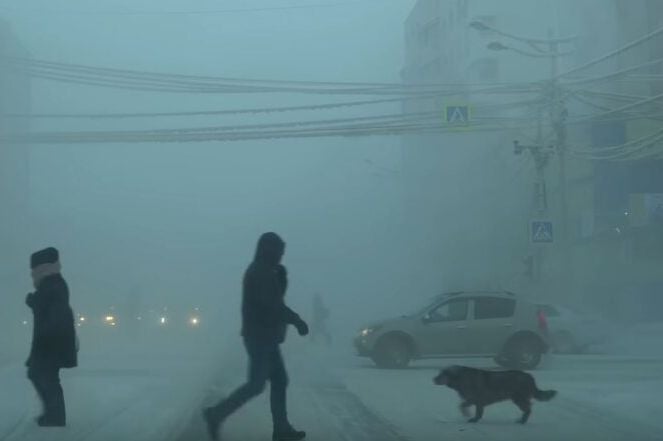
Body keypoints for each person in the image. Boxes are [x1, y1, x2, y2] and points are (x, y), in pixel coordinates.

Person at [203, 232, 309, 441]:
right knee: (256, 384)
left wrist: (281, 279)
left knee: (279, 380)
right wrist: (296, 320)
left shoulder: (266, 270)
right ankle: (215, 414)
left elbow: (274, 300)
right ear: (270, 250)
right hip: (260, 337)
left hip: (265, 336)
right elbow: (273, 305)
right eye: (279, 251)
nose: (281, 255)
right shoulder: (260, 272)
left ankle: (281, 429)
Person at [25, 247, 77, 427]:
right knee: (38, 374)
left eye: (33, 272)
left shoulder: (52, 284)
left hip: (50, 343)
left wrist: (35, 302)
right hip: (49, 342)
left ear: (41, 269)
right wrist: (34, 302)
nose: (32, 276)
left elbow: (56, 313)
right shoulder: (51, 284)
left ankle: (55, 418)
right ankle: (52, 415)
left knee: (46, 378)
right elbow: (46, 307)